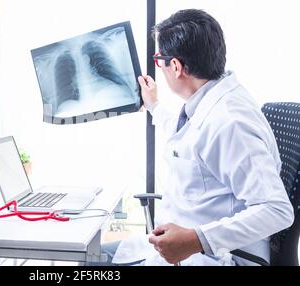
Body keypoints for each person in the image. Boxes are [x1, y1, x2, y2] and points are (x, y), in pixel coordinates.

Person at [93, 9, 295, 266]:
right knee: (93, 255)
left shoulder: (231, 121)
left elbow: (276, 210)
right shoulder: (211, 99)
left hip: (217, 255)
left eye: (159, 60)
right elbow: (191, 142)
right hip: (186, 241)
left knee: (92, 262)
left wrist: (195, 240)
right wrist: (154, 106)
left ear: (175, 66)